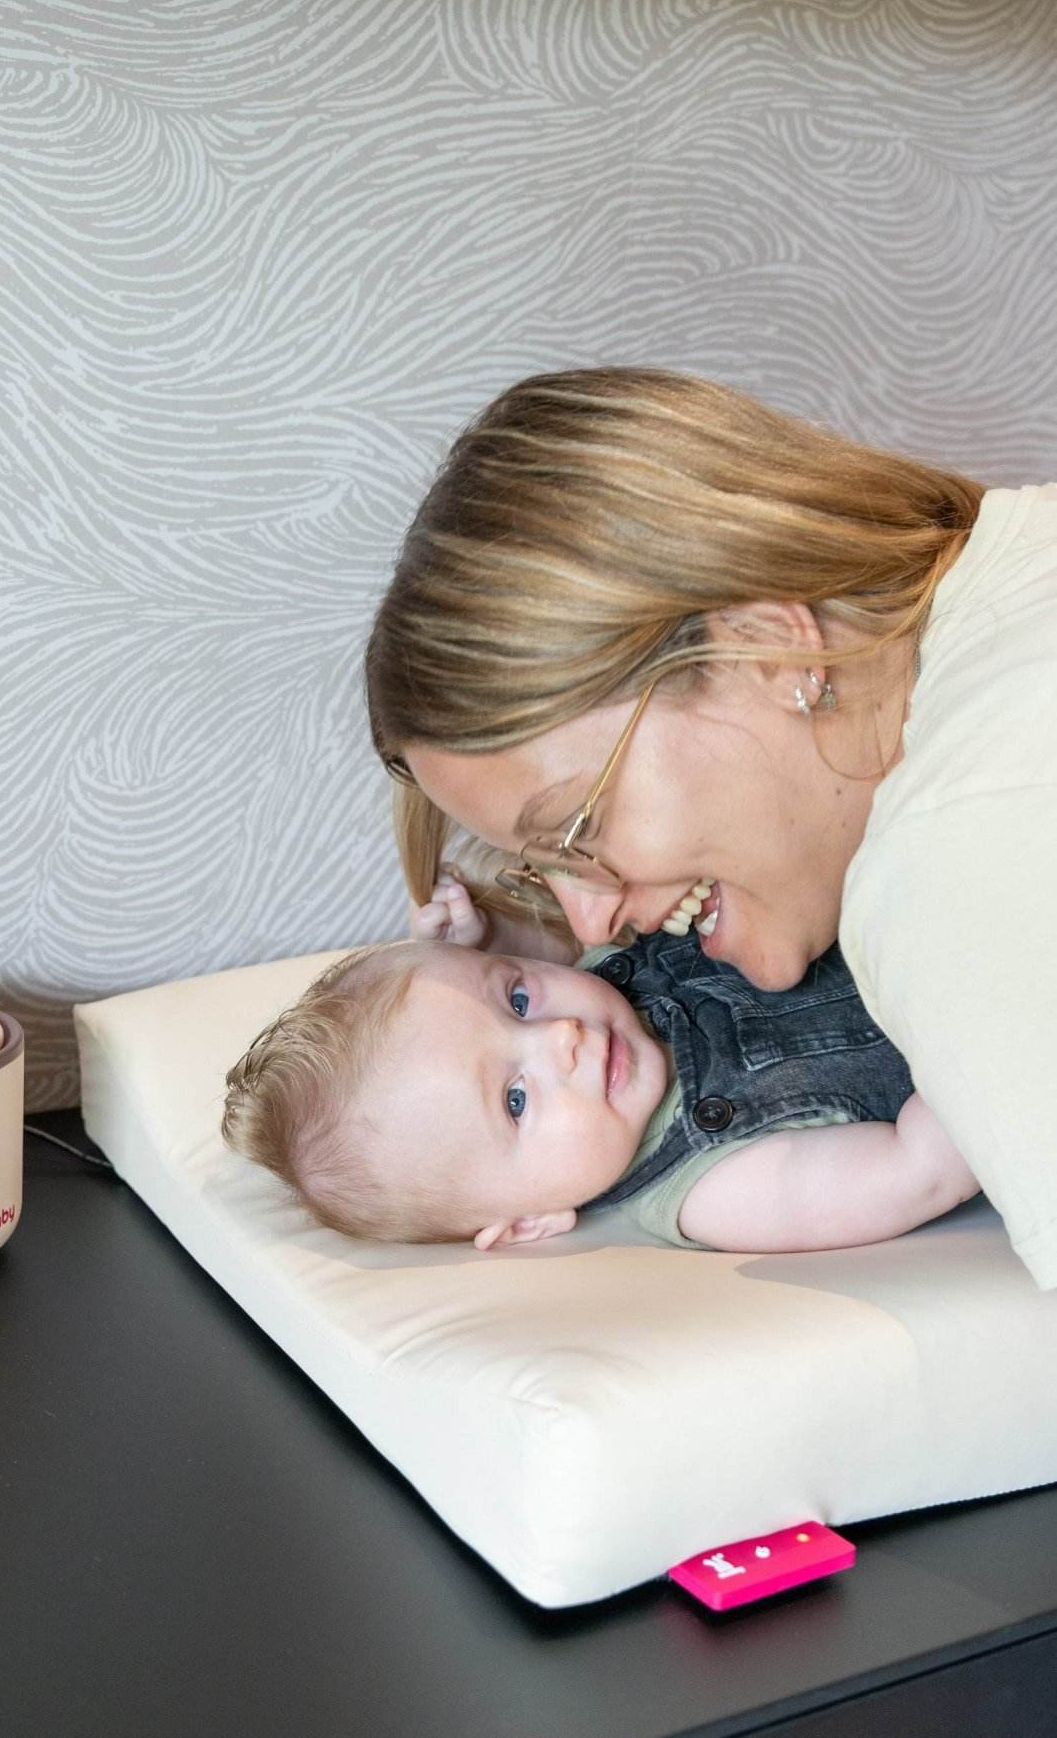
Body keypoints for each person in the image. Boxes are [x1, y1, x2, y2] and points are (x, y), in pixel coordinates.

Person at [364, 368, 1057, 1286]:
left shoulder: (950, 864)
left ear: (767, 650)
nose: (590, 924)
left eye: (578, 829)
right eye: (543, 871)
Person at [220, 922, 976, 1253]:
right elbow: (923, 1166)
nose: (561, 1037)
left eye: (517, 998)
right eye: (515, 1100)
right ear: (529, 1221)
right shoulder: (717, 1190)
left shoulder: (612, 969)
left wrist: (492, 931)